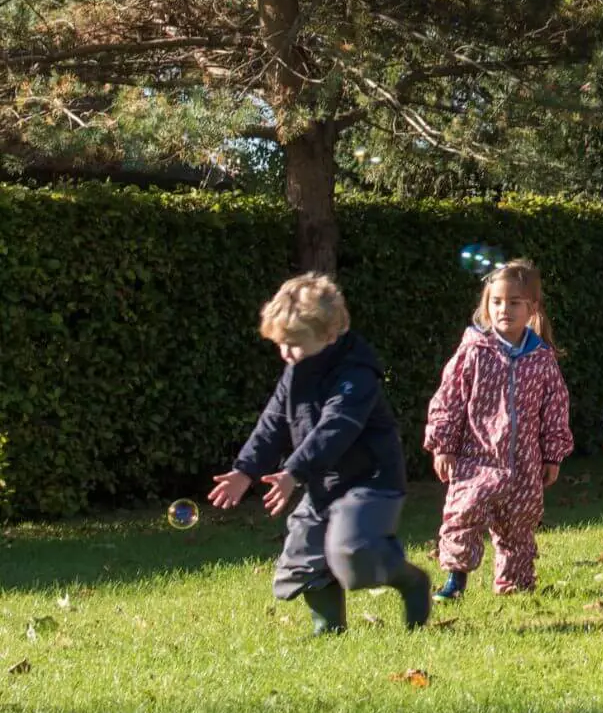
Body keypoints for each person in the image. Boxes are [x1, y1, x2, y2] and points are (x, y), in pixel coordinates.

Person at [207, 273, 431, 634]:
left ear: (329, 335)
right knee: (303, 557)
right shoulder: (295, 371)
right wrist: (245, 470)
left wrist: (294, 471)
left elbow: (337, 425)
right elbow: (274, 421)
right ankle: (328, 629)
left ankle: (411, 581)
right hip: (323, 483)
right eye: (280, 343)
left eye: (293, 343)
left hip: (370, 481)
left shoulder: (357, 374)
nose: (286, 353)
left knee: (354, 553)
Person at [424, 259, 573, 601]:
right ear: (486, 305)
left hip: (524, 464)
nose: (504, 309)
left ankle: (515, 585)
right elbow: (449, 398)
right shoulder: (474, 351)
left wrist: (553, 454)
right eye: (497, 302)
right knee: (463, 516)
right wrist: (443, 444)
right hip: (477, 459)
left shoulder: (542, 358)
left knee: (518, 527)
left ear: (531, 308)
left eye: (514, 302)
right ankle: (455, 581)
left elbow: (555, 409)